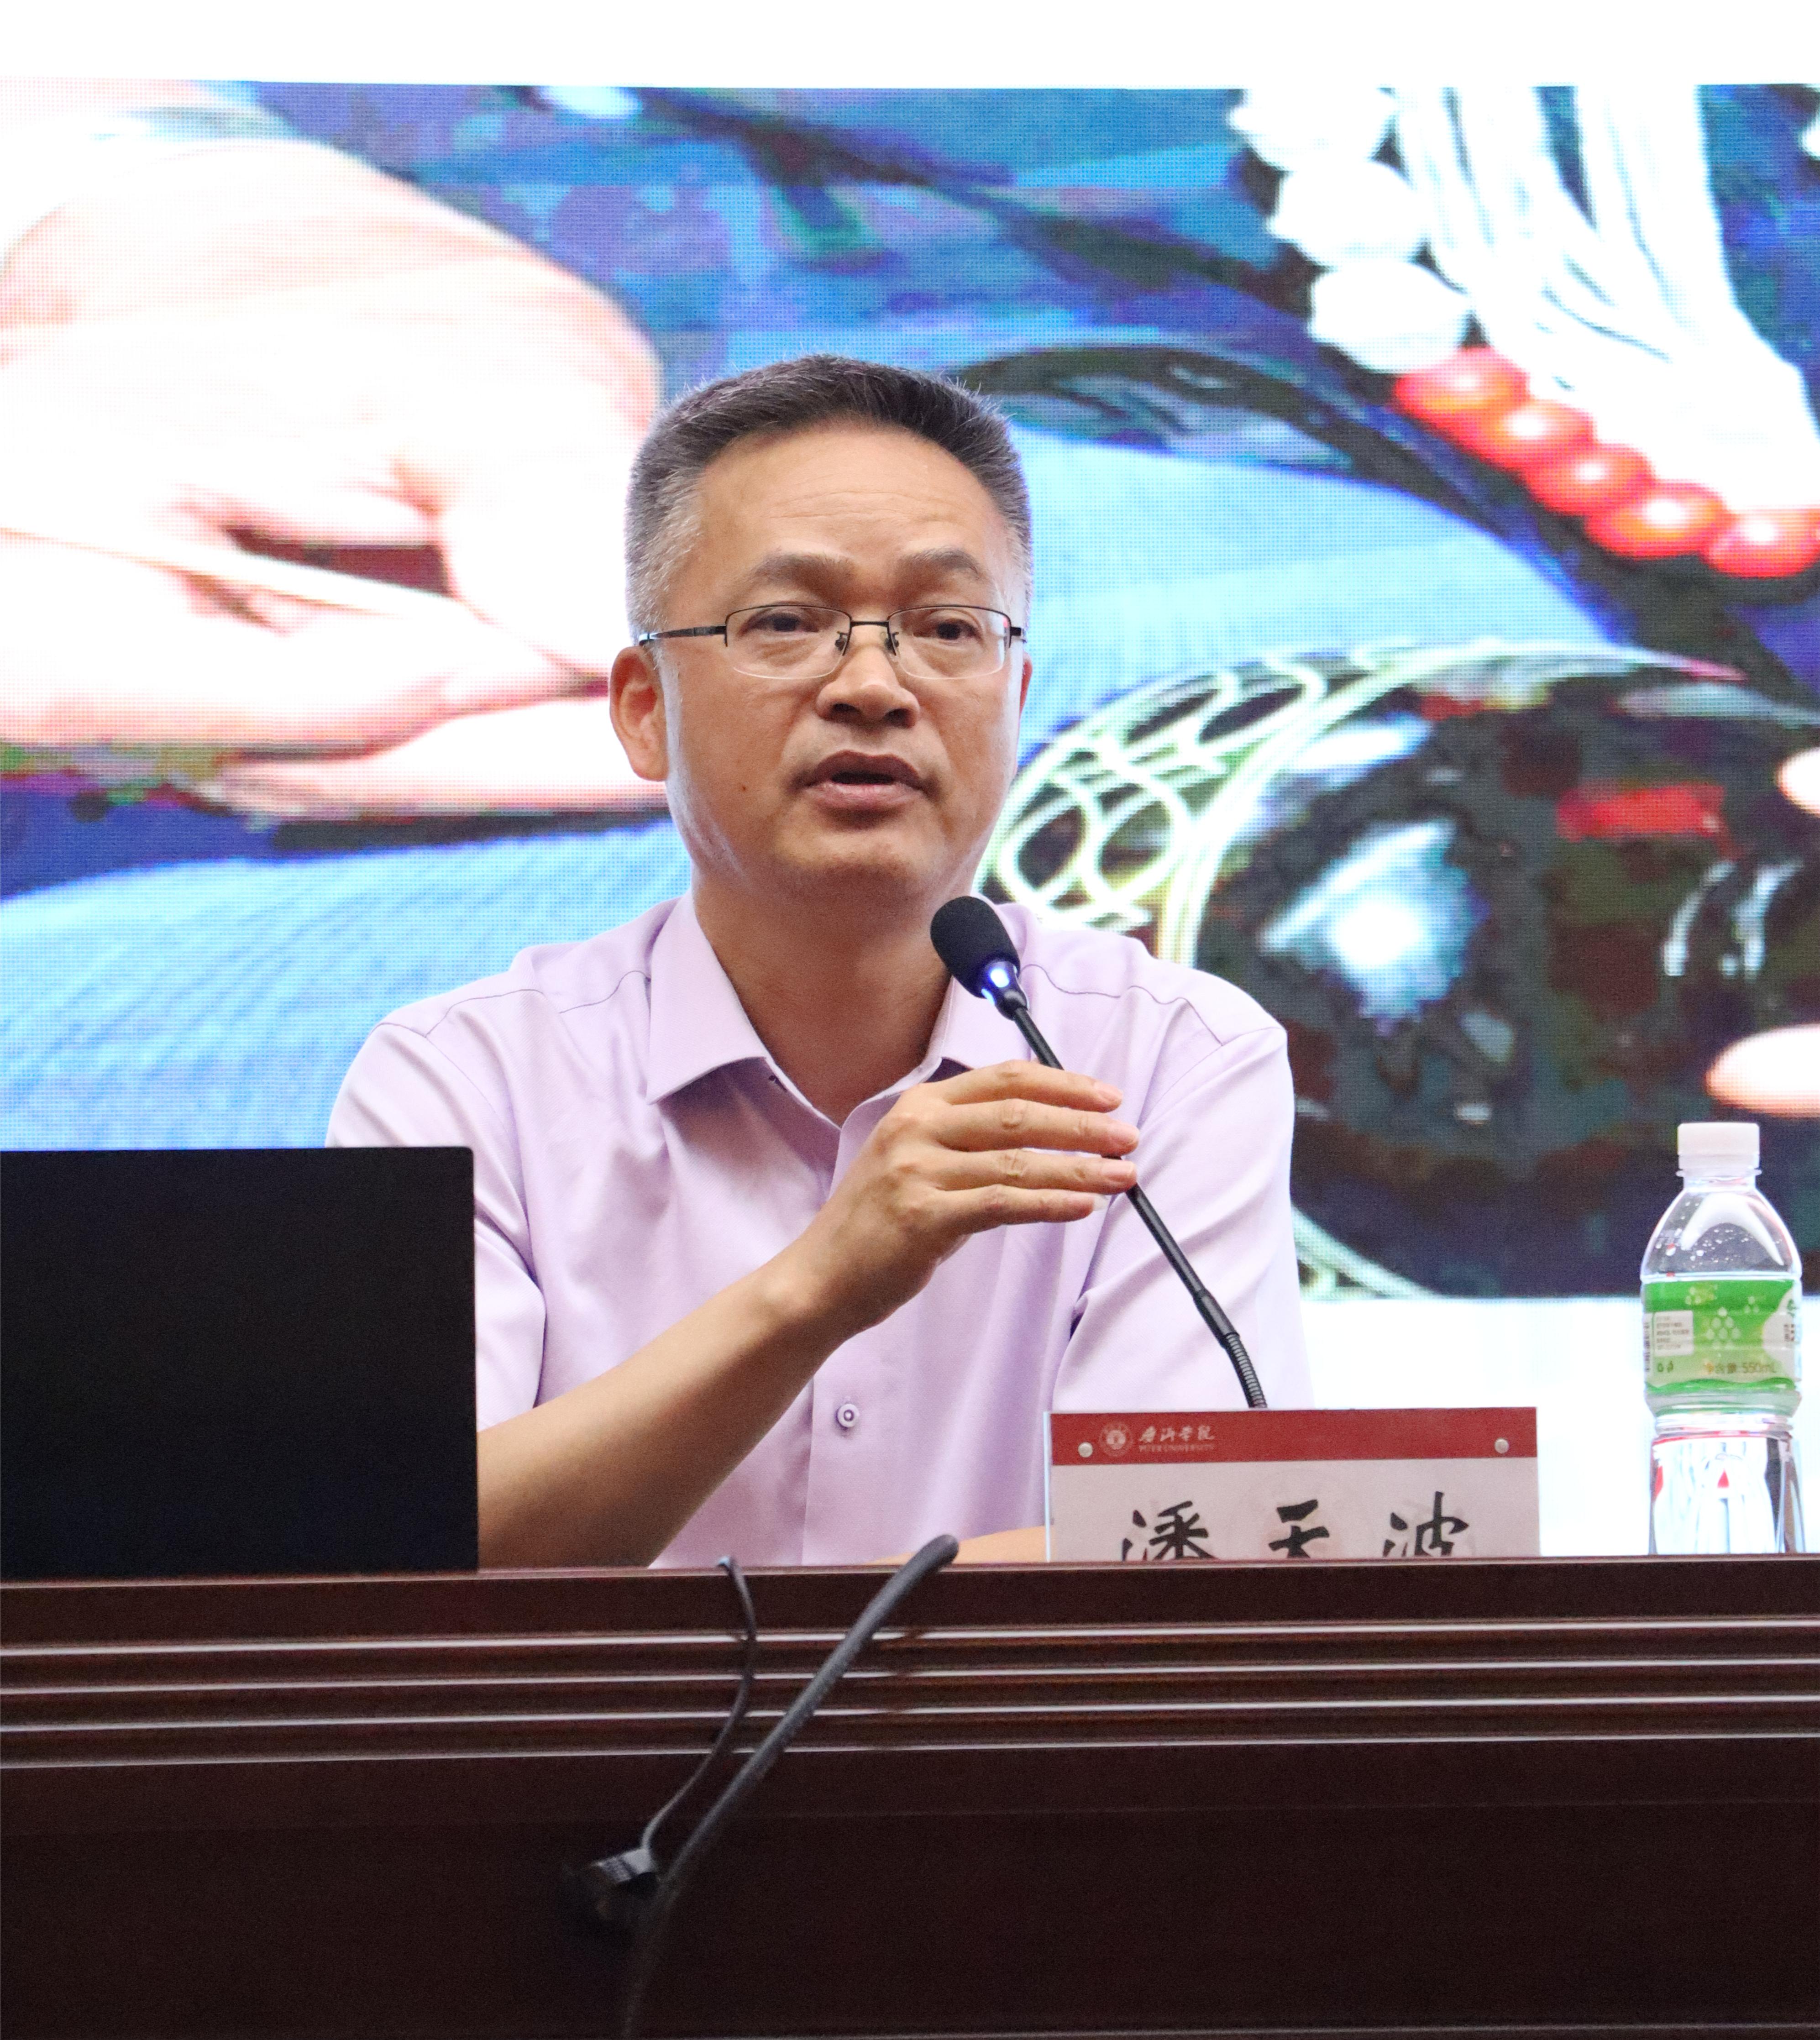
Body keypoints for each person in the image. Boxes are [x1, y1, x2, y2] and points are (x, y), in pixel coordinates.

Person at [328, 356, 1312, 1568]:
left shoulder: (1172, 1063)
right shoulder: (464, 1081)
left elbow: (1189, 1551)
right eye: (785, 623)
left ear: (1012, 695)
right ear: (643, 709)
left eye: (945, 630)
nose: (873, 686)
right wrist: (818, 1288)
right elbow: (403, 1567)